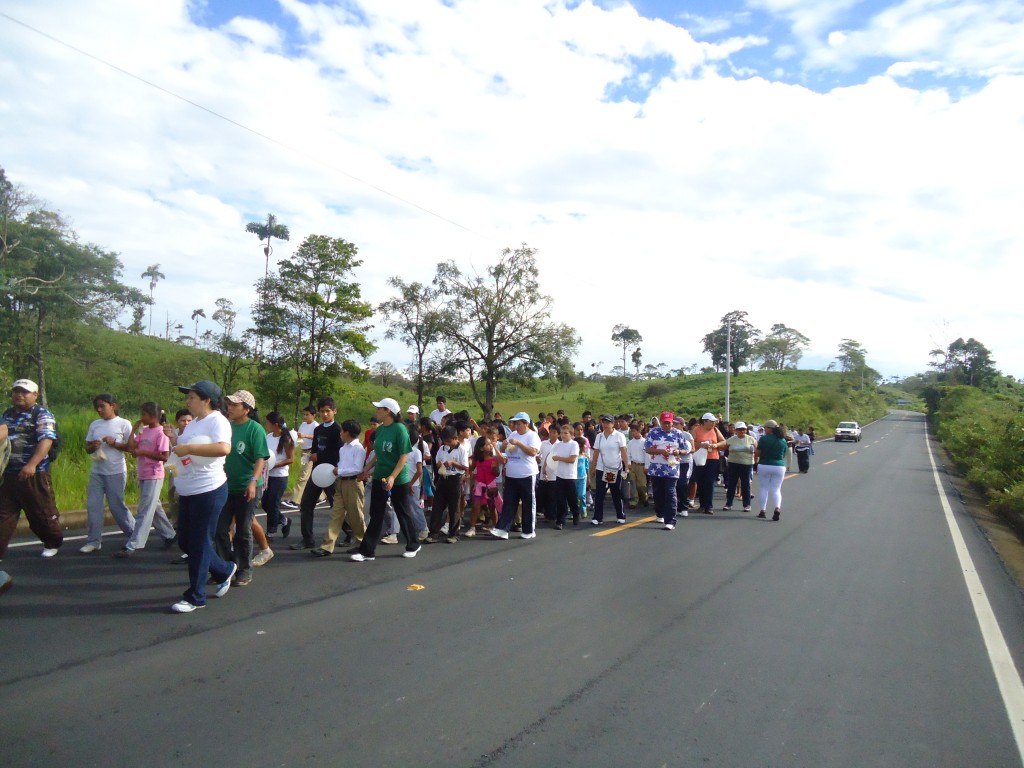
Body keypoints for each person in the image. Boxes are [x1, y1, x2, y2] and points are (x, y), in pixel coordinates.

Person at [168, 380, 236, 613]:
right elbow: (190, 452)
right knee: (186, 541)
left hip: (208, 490)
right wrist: (177, 445)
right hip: (188, 489)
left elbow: (223, 448)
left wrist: (187, 449)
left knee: (198, 543)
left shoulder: (218, 420)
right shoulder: (195, 423)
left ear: (207, 400)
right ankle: (224, 569)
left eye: (192, 397)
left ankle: (195, 597)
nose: (188, 402)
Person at [0, 379, 63, 559]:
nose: (19, 395)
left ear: (34, 395)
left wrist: (32, 464)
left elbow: (46, 440)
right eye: (16, 391)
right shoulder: (8, 414)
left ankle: (52, 542)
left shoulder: (42, 414)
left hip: (33, 473)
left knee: (40, 512)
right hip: (8, 472)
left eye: (24, 392)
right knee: (4, 514)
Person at [352, 397, 420, 561]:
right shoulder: (381, 430)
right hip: (379, 477)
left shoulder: (400, 429)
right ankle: (367, 551)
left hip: (398, 479)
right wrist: (366, 469)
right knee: (376, 513)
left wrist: (392, 477)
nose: (377, 412)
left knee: (402, 511)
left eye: (379, 409)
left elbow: (404, 456)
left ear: (387, 411)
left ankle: (413, 544)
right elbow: (377, 454)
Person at [119, 401, 177, 556]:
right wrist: (133, 429)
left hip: (154, 474)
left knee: (145, 509)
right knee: (154, 506)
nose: (141, 417)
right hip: (143, 473)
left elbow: (164, 456)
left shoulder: (160, 433)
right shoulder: (144, 431)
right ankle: (169, 535)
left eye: (143, 415)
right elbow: (131, 447)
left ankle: (133, 543)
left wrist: (143, 453)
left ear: (153, 416)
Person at [81, 393, 136, 552]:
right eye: (97, 407)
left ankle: (134, 535)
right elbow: (87, 448)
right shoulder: (95, 425)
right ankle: (93, 541)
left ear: (113, 406)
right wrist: (94, 446)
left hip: (115, 471)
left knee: (116, 506)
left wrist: (114, 444)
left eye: (102, 406)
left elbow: (131, 447)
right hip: (97, 470)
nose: (99, 410)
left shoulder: (124, 424)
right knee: (93, 506)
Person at [292, 398, 342, 551]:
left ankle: (350, 533)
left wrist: (319, 457)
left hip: (331, 473)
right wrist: (313, 456)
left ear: (334, 411)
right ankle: (307, 539)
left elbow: (337, 453)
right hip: (316, 472)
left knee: (337, 506)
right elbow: (314, 449)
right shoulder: (318, 429)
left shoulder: (337, 429)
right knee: (306, 504)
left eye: (328, 411)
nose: (325, 414)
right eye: (322, 411)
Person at [312, 419, 366, 556]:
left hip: (353, 484)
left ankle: (364, 542)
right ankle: (327, 546)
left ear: (348, 433)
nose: (341, 433)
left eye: (343, 431)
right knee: (336, 514)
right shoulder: (343, 448)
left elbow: (357, 468)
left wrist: (339, 471)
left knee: (355, 516)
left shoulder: (358, 448)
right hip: (341, 483)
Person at [490, 412, 541, 540]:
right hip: (512, 475)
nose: (516, 426)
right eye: (514, 423)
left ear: (526, 423)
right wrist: (505, 445)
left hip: (527, 474)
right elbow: (502, 450)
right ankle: (503, 529)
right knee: (509, 502)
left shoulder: (532, 436)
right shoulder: (513, 434)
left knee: (528, 503)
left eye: (518, 423)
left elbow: (533, 452)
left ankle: (529, 530)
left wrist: (519, 443)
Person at [644, 411, 690, 530]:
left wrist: (678, 452)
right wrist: (660, 451)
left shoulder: (678, 433)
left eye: (669, 423)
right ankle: (659, 513)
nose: (667, 425)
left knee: (670, 492)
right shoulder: (653, 432)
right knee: (658, 493)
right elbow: (647, 448)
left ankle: (670, 520)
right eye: (665, 423)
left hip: (672, 468)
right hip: (656, 468)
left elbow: (686, 450)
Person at [427, 425, 468, 543]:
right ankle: (434, 532)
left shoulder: (461, 450)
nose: (447, 443)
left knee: (454, 507)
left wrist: (453, 463)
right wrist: (440, 464)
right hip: (443, 479)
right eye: (445, 441)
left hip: (455, 479)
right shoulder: (441, 449)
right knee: (437, 506)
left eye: (449, 441)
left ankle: (454, 533)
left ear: (455, 438)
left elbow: (465, 466)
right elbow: (437, 462)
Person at [261, 411, 294, 542]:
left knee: (273, 503)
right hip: (268, 475)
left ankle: (271, 532)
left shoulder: (286, 438)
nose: (266, 425)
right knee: (265, 503)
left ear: (275, 424)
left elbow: (290, 459)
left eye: (268, 423)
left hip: (280, 476)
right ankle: (284, 520)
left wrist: (275, 464)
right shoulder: (268, 436)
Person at [590, 414, 628, 525]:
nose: (605, 425)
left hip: (614, 468)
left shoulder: (619, 436)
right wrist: (593, 468)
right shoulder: (599, 436)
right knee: (600, 493)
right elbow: (596, 453)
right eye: (603, 422)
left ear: (613, 423)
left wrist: (626, 466)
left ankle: (620, 515)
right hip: (601, 468)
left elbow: (623, 452)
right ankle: (598, 517)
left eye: (607, 422)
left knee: (616, 492)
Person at [284, 406, 318, 510]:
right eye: (304, 414)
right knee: (308, 475)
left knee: (303, 475)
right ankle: (321, 496)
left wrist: (305, 436)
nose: (305, 416)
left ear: (313, 415)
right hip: (304, 451)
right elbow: (299, 436)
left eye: (307, 414)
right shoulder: (303, 424)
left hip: (311, 451)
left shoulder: (316, 425)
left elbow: (316, 436)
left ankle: (295, 500)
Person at [467, 434, 501, 536]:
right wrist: (468, 475)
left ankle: (496, 527)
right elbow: (471, 469)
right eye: (488, 444)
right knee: (476, 507)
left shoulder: (494, 459)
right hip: (479, 486)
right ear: (481, 448)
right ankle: (472, 528)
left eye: (491, 444)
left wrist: (494, 468)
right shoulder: (477, 459)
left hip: (491, 486)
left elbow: (497, 474)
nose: (491, 446)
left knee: (492, 507)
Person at [692, 413, 726, 515]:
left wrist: (715, 445)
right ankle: (702, 504)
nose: (713, 423)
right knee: (700, 481)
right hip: (699, 458)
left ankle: (709, 506)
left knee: (710, 482)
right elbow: (691, 442)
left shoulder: (715, 430)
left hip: (712, 458)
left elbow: (724, 442)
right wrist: (701, 445)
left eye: (714, 422)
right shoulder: (696, 430)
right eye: (711, 421)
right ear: (704, 421)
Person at [755, 419, 789, 522]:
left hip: (764, 464)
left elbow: (758, 453)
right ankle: (777, 507)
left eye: (765, 427)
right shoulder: (783, 440)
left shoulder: (763, 439)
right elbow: (784, 454)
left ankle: (762, 511)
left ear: (770, 428)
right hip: (779, 466)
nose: (764, 429)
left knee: (764, 488)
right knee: (776, 489)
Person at [551, 424, 581, 529]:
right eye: (562, 433)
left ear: (571, 434)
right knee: (560, 500)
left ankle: (576, 513)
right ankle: (560, 521)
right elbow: (552, 457)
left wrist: (559, 458)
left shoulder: (574, 444)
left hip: (570, 476)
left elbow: (572, 459)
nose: (563, 435)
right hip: (559, 475)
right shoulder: (558, 445)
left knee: (572, 498)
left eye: (565, 433)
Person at [723, 421, 756, 512]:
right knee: (732, 484)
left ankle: (747, 504)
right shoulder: (732, 439)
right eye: (740, 429)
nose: (742, 431)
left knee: (745, 485)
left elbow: (756, 450)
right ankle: (729, 503)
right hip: (733, 463)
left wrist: (756, 458)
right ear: (736, 430)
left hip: (746, 464)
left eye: (743, 429)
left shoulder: (751, 439)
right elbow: (725, 447)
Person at [626, 423, 649, 509]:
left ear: (639, 431)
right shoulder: (630, 442)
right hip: (633, 464)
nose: (632, 433)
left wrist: (646, 466)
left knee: (641, 484)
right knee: (633, 483)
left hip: (641, 465)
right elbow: (628, 454)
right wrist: (628, 463)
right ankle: (634, 500)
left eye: (634, 431)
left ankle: (644, 497)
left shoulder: (644, 442)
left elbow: (647, 455)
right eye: (631, 431)